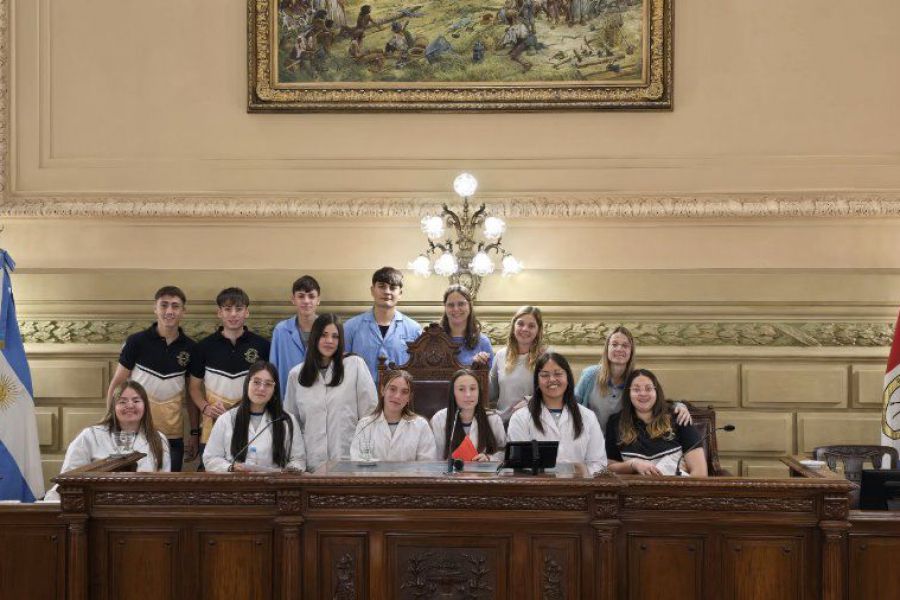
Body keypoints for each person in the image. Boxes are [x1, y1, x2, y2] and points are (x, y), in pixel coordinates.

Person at [106, 285, 198, 472]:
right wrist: (110, 423)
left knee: (169, 490)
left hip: (173, 434)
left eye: (175, 306)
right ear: (155, 308)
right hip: (135, 431)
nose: (169, 311)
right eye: (164, 305)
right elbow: (117, 385)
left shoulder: (191, 347)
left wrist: (195, 432)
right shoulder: (136, 341)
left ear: (183, 311)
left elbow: (191, 394)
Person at [45, 380, 170, 501]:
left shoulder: (158, 439)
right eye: (122, 402)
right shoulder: (90, 436)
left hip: (143, 511)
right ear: (113, 406)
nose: (130, 405)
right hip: (96, 509)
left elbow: (165, 485)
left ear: (145, 406)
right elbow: (68, 479)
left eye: (136, 400)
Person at [283, 314, 377, 471]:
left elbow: (370, 414)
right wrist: (296, 461)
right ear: (314, 337)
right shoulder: (296, 374)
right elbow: (291, 423)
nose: (329, 341)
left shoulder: (355, 365)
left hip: (349, 463)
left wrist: (363, 455)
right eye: (324, 335)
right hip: (310, 464)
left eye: (335, 336)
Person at [189, 287, 271, 468]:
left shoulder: (263, 346)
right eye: (227, 309)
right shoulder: (203, 347)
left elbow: (269, 385)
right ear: (219, 312)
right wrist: (205, 408)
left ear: (247, 312)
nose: (233, 314)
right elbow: (193, 387)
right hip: (213, 425)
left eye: (239, 309)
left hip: (251, 424)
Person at [575, 326, 691, 430]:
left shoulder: (636, 380)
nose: (619, 349)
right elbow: (572, 404)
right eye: (614, 344)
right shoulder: (590, 375)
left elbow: (657, 402)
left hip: (622, 444)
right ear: (607, 349)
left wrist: (680, 407)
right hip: (590, 443)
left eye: (625, 345)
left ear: (631, 351)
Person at [507, 352, 606, 474]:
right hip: (536, 490)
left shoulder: (588, 416)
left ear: (568, 378)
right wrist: (556, 472)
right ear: (537, 381)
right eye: (545, 375)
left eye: (558, 374)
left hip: (579, 489)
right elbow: (520, 464)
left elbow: (599, 463)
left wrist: (581, 471)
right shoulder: (520, 418)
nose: (552, 379)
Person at [203, 362, 306, 473]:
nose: (262, 388)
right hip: (236, 486)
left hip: (273, 487)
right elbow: (210, 458)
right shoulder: (226, 419)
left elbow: (298, 459)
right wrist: (230, 468)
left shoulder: (286, 420)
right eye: (256, 382)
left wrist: (289, 471)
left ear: (274, 390)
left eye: (268, 384)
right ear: (247, 383)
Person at [605, 369, 708, 477]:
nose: (643, 393)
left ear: (656, 392)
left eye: (648, 388)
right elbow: (609, 467)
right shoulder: (615, 422)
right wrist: (633, 464)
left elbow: (700, 473)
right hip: (635, 492)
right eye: (636, 389)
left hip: (676, 491)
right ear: (628, 393)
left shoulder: (679, 418)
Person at [344, 267, 423, 382]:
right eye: (382, 286)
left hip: (399, 397)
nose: (387, 291)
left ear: (400, 293)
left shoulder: (414, 330)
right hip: (360, 396)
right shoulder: (350, 327)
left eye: (392, 287)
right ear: (372, 290)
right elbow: (342, 367)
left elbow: (419, 372)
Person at [349, 370, 436, 461]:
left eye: (404, 392)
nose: (397, 396)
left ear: (409, 398)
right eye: (392, 389)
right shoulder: (365, 425)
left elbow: (426, 465)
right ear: (382, 390)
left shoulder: (421, 426)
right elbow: (357, 462)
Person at [431, 369, 506, 462]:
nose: (468, 394)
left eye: (473, 388)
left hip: (484, 474)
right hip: (450, 474)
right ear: (453, 393)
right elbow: (436, 456)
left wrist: (489, 458)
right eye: (461, 389)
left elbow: (504, 452)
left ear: (479, 392)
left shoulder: (492, 419)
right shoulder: (439, 419)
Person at [489, 306, 546, 423]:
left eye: (531, 326)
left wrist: (530, 401)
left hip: (533, 423)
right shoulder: (500, 355)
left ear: (538, 330)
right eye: (520, 324)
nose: (525, 329)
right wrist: (481, 370)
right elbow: (491, 394)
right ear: (513, 326)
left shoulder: (546, 357)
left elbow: (554, 393)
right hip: (502, 423)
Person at [270, 275, 321, 397]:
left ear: (318, 300)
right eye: (301, 296)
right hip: (287, 398)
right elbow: (273, 369)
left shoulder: (327, 330)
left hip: (320, 399)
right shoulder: (281, 330)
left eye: (311, 296)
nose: (306, 301)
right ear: (293, 299)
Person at [440, 284, 493, 368]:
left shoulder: (483, 342)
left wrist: (479, 366)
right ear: (445, 307)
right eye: (451, 305)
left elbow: (488, 379)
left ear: (469, 306)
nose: (456, 309)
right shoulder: (432, 340)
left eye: (461, 304)